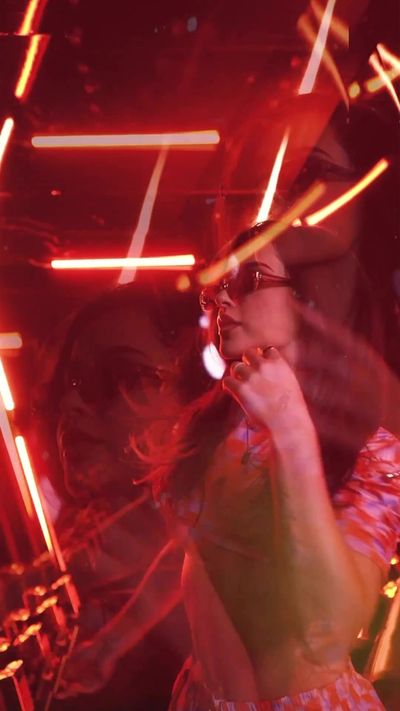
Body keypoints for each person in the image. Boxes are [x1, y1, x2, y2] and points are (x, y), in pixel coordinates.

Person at [147, 97, 400, 709]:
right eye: (217, 288)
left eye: (249, 281)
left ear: (308, 305)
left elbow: (328, 629)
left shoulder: (374, 452)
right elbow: (194, 560)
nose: (219, 302)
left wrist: (290, 428)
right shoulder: (220, 419)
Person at [35, 282, 202, 708]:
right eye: (72, 382)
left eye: (121, 378)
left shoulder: (228, 546)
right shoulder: (80, 541)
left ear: (196, 392)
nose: (72, 404)